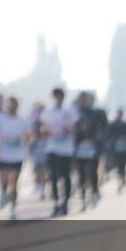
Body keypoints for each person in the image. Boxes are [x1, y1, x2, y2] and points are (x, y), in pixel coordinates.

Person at [0, 96, 30, 219]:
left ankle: (13, 207)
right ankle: (3, 194)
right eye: (10, 104)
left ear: (18, 106)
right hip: (2, 155)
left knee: (14, 182)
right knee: (3, 179)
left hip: (17, 155)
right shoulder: (0, 118)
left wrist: (24, 140)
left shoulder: (22, 120)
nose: (12, 107)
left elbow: (29, 136)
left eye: (15, 104)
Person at [41, 87, 77, 217]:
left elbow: (77, 127)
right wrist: (45, 131)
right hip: (52, 148)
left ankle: (65, 202)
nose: (58, 98)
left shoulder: (70, 111)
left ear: (63, 97)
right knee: (53, 176)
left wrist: (69, 130)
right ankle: (56, 203)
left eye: (60, 96)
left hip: (66, 149)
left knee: (65, 176)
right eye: (56, 96)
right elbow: (42, 127)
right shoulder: (48, 112)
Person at [73, 92, 107, 211]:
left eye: (85, 99)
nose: (83, 101)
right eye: (81, 99)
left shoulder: (95, 113)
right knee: (81, 171)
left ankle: (94, 190)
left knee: (93, 169)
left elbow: (100, 129)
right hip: (79, 147)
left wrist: (95, 139)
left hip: (92, 146)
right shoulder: (75, 113)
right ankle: (82, 194)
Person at [104, 109, 126, 191]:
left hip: (124, 148)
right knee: (117, 163)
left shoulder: (125, 125)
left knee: (123, 163)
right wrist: (112, 140)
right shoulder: (112, 125)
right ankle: (120, 177)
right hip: (115, 148)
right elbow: (107, 135)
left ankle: (122, 177)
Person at [28, 102, 48, 200]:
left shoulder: (47, 120)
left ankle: (42, 190)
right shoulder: (33, 121)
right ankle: (38, 185)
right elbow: (30, 137)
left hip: (45, 149)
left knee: (43, 170)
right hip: (36, 149)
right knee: (37, 170)